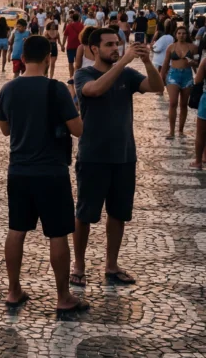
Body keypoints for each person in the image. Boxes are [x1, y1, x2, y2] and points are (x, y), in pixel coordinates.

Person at [0, 35, 86, 316]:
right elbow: (78, 130)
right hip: (51, 172)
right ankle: (63, 297)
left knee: (16, 230)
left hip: (19, 170)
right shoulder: (57, 90)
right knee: (58, 233)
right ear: (49, 58)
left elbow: (5, 129)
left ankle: (14, 291)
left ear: (22, 58)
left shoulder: (8, 89)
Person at [70, 28, 164, 288]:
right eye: (109, 44)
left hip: (124, 156)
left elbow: (157, 87)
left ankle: (111, 265)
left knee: (118, 213)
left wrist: (146, 61)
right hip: (93, 156)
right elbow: (94, 91)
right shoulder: (83, 74)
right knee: (85, 213)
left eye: (118, 44)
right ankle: (79, 265)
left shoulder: (128, 75)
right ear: (93, 49)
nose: (115, 48)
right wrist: (123, 61)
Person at [161, 25, 196, 139]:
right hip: (173, 76)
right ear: (175, 35)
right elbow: (165, 63)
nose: (181, 35)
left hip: (187, 76)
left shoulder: (193, 47)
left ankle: (180, 130)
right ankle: (171, 131)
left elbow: (198, 64)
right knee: (173, 103)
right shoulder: (171, 47)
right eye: (179, 33)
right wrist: (161, 78)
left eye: (184, 33)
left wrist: (193, 63)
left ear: (187, 35)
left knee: (184, 104)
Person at [63, 12, 84, 79]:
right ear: (78, 18)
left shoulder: (69, 26)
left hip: (70, 46)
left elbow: (65, 36)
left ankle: (71, 76)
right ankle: (78, 76)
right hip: (79, 47)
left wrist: (62, 45)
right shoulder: (82, 25)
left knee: (70, 62)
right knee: (79, 63)